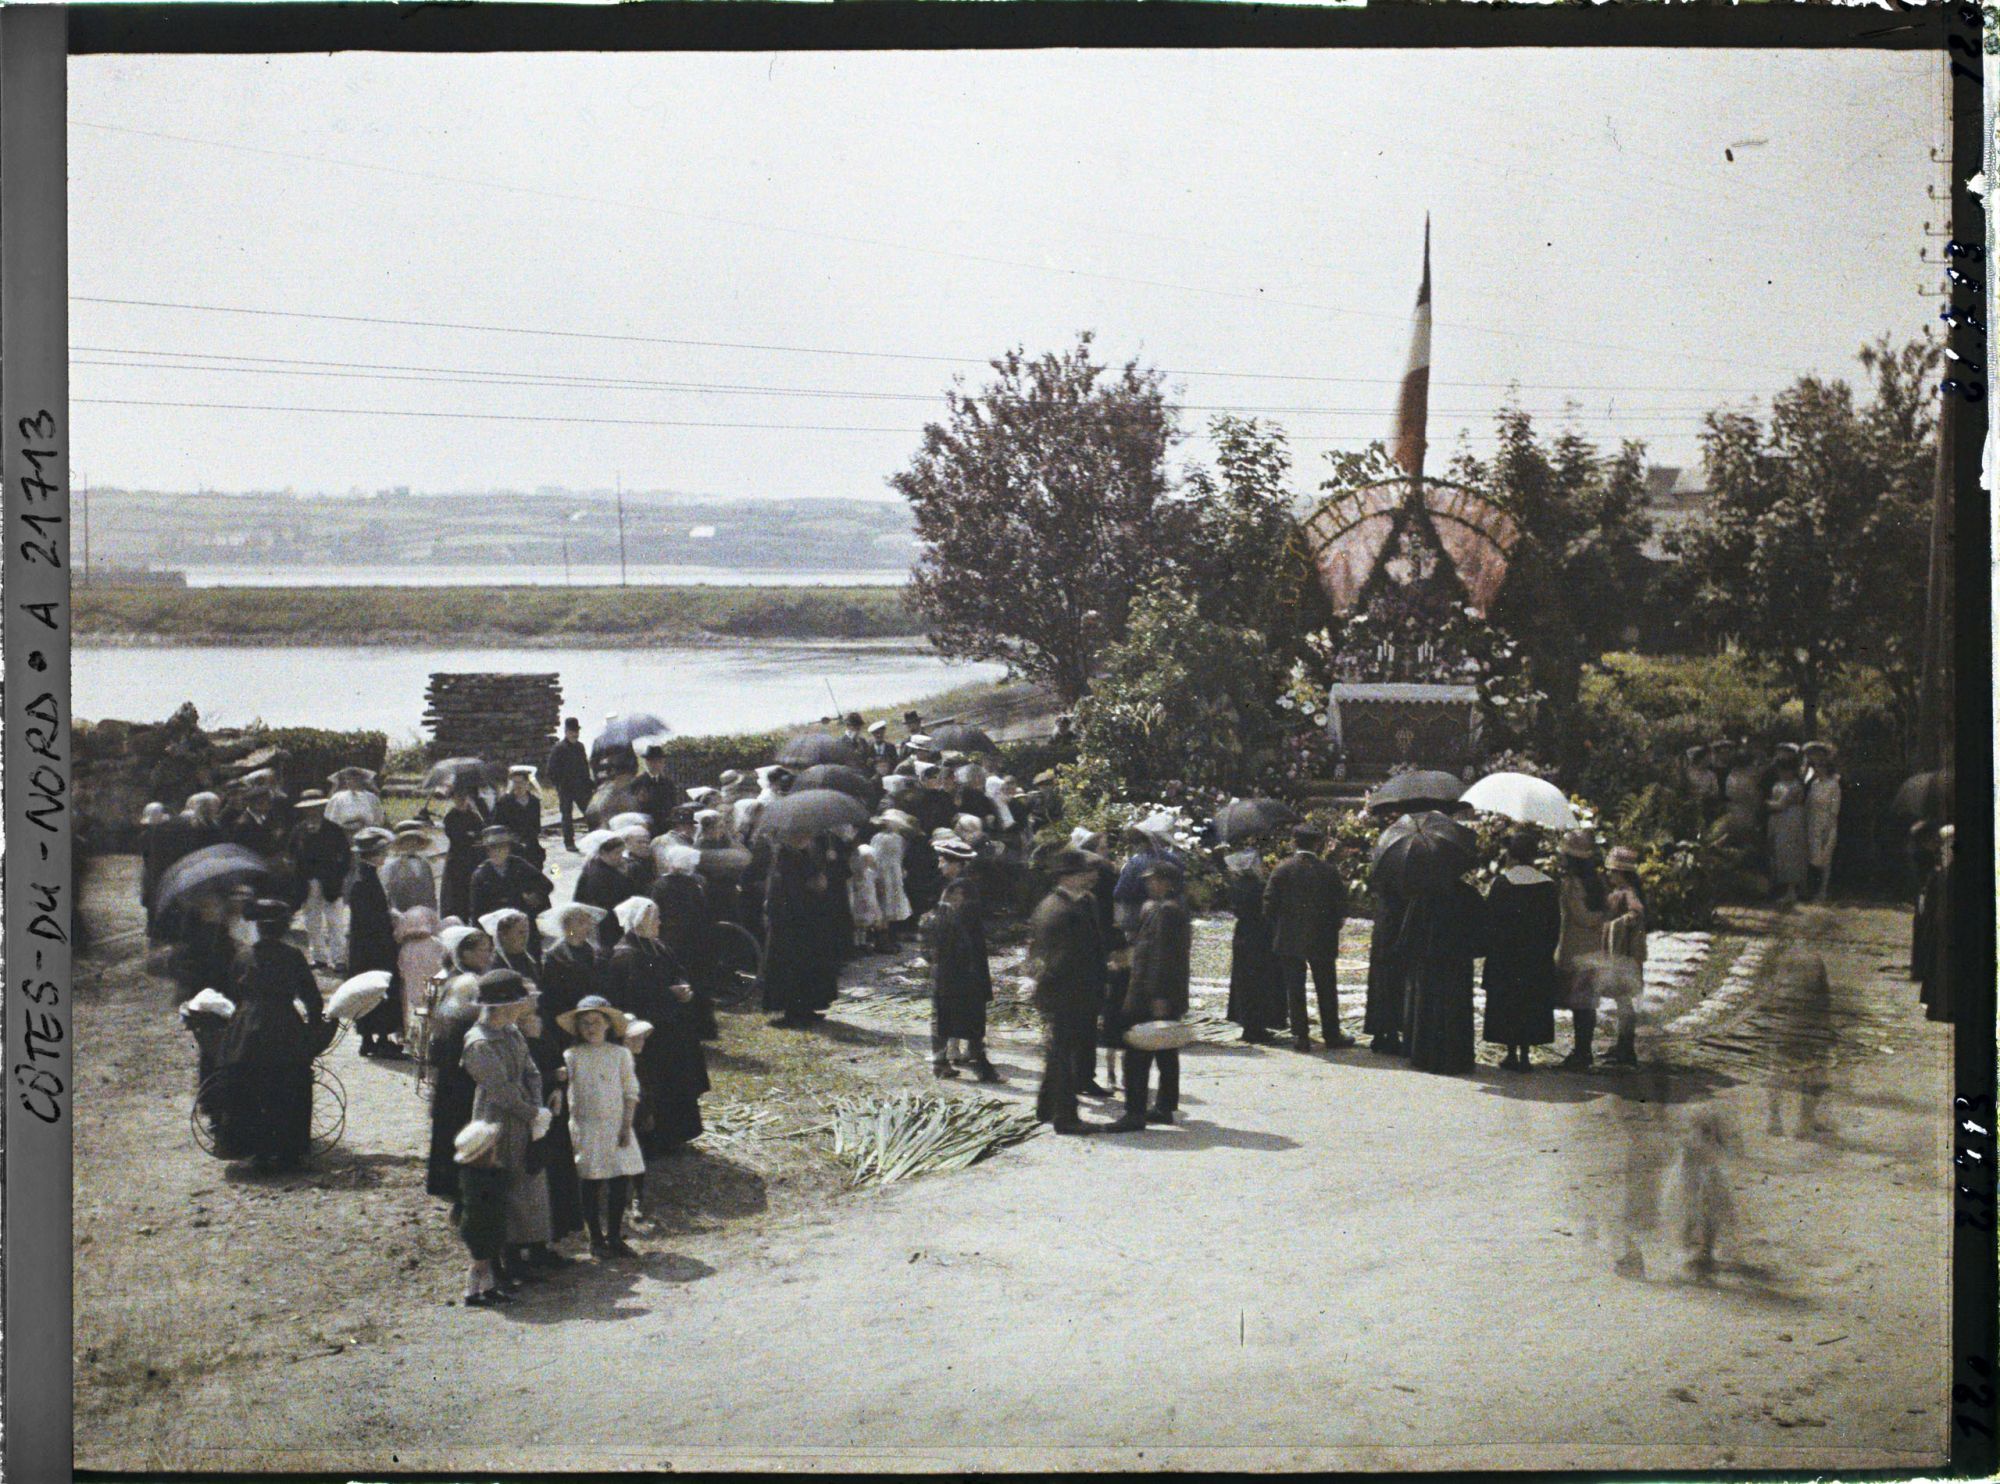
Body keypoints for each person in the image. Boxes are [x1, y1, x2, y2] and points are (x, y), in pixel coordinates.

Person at [215, 899, 333, 1169]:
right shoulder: (292, 956)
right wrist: (314, 1027)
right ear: (283, 928)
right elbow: (312, 998)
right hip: (283, 1027)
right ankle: (288, 1150)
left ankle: (256, 1150)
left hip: (247, 1029)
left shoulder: (243, 956)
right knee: (290, 1085)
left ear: (258, 928)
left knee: (251, 1086)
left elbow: (230, 994)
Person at [457, 968, 550, 1304]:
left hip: (523, 1120)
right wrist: (531, 1112)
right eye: (517, 1001)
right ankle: (492, 1270)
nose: (523, 1005)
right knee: (497, 1194)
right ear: (502, 1005)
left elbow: (530, 1071)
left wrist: (537, 1107)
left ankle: (514, 1261)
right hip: (495, 1124)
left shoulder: (511, 1033)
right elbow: (500, 1090)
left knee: (521, 1189)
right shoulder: (479, 1044)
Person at [604, 898, 709, 1157]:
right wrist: (670, 993)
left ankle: (678, 1134)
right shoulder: (626, 954)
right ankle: (657, 1140)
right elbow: (635, 996)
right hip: (651, 1032)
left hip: (672, 1026)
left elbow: (677, 971)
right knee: (656, 1086)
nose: (660, 922)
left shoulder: (657, 946)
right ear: (638, 921)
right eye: (655, 918)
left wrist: (683, 987)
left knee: (678, 1081)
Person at [1026, 848, 1109, 1134]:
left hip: (1076, 990)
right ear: (1069, 877)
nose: (1090, 877)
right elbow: (1059, 959)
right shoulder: (1059, 910)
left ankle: (1047, 1106)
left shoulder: (1077, 903)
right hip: (1068, 992)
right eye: (1084, 873)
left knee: (1059, 1051)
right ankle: (1065, 1117)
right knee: (1064, 1054)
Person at [558, 996, 647, 1258]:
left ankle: (615, 1236)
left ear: (608, 1024)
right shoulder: (572, 1055)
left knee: (619, 1179)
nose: (591, 1028)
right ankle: (595, 1237)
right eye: (585, 1023)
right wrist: (559, 1077)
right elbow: (565, 1087)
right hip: (586, 1126)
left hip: (617, 1125)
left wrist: (625, 1125)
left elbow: (631, 1091)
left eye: (596, 1022)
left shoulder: (620, 1054)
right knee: (591, 1181)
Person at [1109, 859, 1192, 1131]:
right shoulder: (1165, 909)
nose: (1148, 884)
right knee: (1165, 1049)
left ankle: (1135, 1111)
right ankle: (1165, 1106)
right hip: (1164, 992)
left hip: (1151, 992)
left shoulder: (1166, 912)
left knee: (1137, 1052)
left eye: (1153, 880)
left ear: (1167, 883)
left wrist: (1157, 996)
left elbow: (1161, 957)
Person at [1262, 825, 1352, 1052]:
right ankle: (1331, 1033)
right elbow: (1341, 907)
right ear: (1317, 844)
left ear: (1294, 843)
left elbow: (1269, 905)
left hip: (1290, 937)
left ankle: (1300, 1035)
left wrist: (1281, 925)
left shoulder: (1282, 869)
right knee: (1327, 987)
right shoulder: (1329, 871)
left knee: (1295, 988)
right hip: (1322, 938)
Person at [1480, 832, 1560, 1071]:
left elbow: (1490, 921)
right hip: (1536, 957)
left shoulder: (1503, 883)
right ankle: (1525, 1053)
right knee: (1530, 1002)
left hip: (1506, 956)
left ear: (1512, 855)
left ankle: (1511, 1052)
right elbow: (1554, 925)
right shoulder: (1547, 885)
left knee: (1509, 1003)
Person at [424, 929, 492, 1202]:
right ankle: (452, 1181)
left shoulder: (454, 978)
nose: (488, 955)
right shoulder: (467, 982)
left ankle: (443, 1179)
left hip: (448, 1059)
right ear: (464, 953)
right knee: (457, 1119)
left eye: (489, 949)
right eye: (482, 950)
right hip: (457, 1060)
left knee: (447, 1120)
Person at [1398, 874, 1484, 1077]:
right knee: (1455, 1007)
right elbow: (1482, 929)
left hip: (1429, 960)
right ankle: (1456, 1058)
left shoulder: (1424, 893)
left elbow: (1409, 932)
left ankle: (1425, 1055)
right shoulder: (1468, 893)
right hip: (1457, 961)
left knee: (1427, 1005)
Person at [920, 875, 998, 1082]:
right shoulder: (962, 918)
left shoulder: (932, 917)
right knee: (972, 1021)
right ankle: (981, 1067)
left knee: (942, 1019)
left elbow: (926, 952)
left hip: (944, 977)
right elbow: (972, 950)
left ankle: (941, 1064)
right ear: (957, 895)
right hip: (964, 977)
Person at [343, 827, 406, 1058]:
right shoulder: (364, 881)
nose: (385, 854)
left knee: (368, 991)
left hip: (365, 946)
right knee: (379, 990)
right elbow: (371, 918)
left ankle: (369, 1037)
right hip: (374, 946)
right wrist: (390, 920)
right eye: (381, 851)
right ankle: (379, 1038)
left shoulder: (365, 876)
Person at [761, 835, 836, 1027]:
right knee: (791, 965)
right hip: (791, 919)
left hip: (805, 918)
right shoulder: (786, 856)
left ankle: (807, 1007)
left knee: (806, 964)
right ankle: (794, 1011)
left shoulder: (804, 853)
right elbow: (787, 888)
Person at [649, 846, 719, 1040]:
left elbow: (656, 911)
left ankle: (684, 1027)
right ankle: (705, 1027)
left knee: (679, 981)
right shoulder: (696, 884)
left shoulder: (660, 885)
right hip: (697, 940)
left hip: (672, 940)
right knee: (699, 983)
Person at [1556, 829, 1611, 1070]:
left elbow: (1581, 916)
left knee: (1581, 1006)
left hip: (1575, 952)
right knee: (1586, 1006)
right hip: (1594, 950)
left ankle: (1581, 1053)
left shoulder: (1571, 885)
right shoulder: (1598, 882)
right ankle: (1583, 1050)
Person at [1224, 846, 1286, 1044]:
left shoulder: (1237, 886)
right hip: (1260, 936)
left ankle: (1249, 1024)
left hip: (1243, 935)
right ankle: (1258, 1025)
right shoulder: (1258, 887)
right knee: (1261, 981)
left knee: (1245, 982)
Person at [285, 790, 350, 970]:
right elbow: (290, 856)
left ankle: (339, 959)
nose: (312, 812)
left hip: (331, 882)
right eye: (308, 809)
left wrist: (339, 876)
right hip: (307, 882)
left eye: (315, 808)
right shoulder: (298, 830)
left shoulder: (334, 829)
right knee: (312, 921)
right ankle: (319, 957)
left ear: (322, 808)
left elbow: (346, 857)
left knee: (335, 921)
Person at [469, 825, 555, 954]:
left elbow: (546, 885)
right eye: (493, 848)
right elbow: (477, 912)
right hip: (499, 932)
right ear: (487, 851)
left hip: (524, 927)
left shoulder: (519, 865)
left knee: (532, 961)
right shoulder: (481, 875)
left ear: (508, 848)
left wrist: (535, 896)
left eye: (502, 847)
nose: (497, 852)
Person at [1601, 845, 1649, 1068]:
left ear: (1623, 873)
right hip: (1622, 953)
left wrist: (1619, 924)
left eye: (1613, 871)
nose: (1609, 875)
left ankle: (1626, 1047)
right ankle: (1622, 1043)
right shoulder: (1620, 892)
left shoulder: (1628, 893)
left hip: (1625, 954)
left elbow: (1636, 912)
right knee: (1622, 1000)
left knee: (1623, 1000)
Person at [574, 831, 635, 952]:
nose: (620, 857)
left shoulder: (602, 867)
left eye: (621, 853)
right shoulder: (599, 874)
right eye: (616, 853)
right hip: (608, 924)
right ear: (603, 853)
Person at [439, 781, 488, 924]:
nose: (461, 799)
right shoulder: (450, 817)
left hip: (473, 859)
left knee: (473, 892)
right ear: (453, 798)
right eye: (457, 797)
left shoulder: (475, 816)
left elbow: (480, 835)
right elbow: (456, 837)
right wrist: (469, 835)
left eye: (464, 796)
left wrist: (472, 836)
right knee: (457, 896)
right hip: (457, 861)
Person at [545, 718, 594, 854]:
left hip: (581, 787)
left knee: (589, 813)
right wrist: (559, 785)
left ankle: (594, 839)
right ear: (566, 732)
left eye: (577, 731)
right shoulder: (558, 748)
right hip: (565, 788)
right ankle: (569, 843)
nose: (575, 734)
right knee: (567, 816)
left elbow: (584, 766)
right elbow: (550, 771)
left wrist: (588, 782)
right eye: (572, 732)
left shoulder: (580, 747)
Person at [1766, 752, 1808, 906]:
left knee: (1792, 852)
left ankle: (1793, 891)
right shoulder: (1778, 784)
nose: (1782, 773)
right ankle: (1785, 888)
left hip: (1792, 819)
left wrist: (1764, 802)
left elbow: (1782, 804)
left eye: (1785, 769)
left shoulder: (1796, 785)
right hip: (1779, 820)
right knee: (1780, 852)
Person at [1803, 741, 1842, 902]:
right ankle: (1812, 890)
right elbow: (1808, 805)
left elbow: (1834, 809)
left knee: (1825, 859)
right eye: (1815, 767)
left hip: (1827, 822)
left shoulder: (1833, 785)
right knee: (1813, 857)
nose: (1816, 770)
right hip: (1813, 822)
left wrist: (1829, 827)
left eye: (1819, 767)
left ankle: (1823, 891)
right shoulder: (1814, 785)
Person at [870, 811, 916, 942]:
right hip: (885, 872)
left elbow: (900, 856)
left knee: (890, 902)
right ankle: (882, 937)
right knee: (884, 902)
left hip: (893, 873)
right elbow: (876, 856)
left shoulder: (897, 838)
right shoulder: (881, 838)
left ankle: (889, 935)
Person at [491, 765, 547, 869]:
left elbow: (536, 826)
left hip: (531, 847)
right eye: (515, 783)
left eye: (521, 782)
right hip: (512, 847)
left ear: (527, 783)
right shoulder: (504, 802)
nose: (518, 786)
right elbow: (497, 825)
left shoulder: (534, 802)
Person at [381, 820, 441, 914]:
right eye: (407, 840)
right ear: (400, 843)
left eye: (415, 839)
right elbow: (388, 895)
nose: (412, 843)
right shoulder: (392, 866)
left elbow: (431, 895)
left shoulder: (424, 864)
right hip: (402, 916)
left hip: (424, 916)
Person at [630, 743, 682, 833]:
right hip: (646, 827)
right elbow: (634, 805)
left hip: (665, 827)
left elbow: (673, 805)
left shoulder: (668, 783)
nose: (657, 765)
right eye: (653, 761)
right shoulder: (638, 782)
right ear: (647, 762)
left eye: (660, 761)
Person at [326, 767, 386, 839]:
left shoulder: (371, 798)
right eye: (347, 779)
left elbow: (379, 818)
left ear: (361, 780)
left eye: (353, 779)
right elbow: (331, 819)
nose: (349, 782)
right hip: (345, 834)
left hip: (367, 834)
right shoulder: (337, 798)